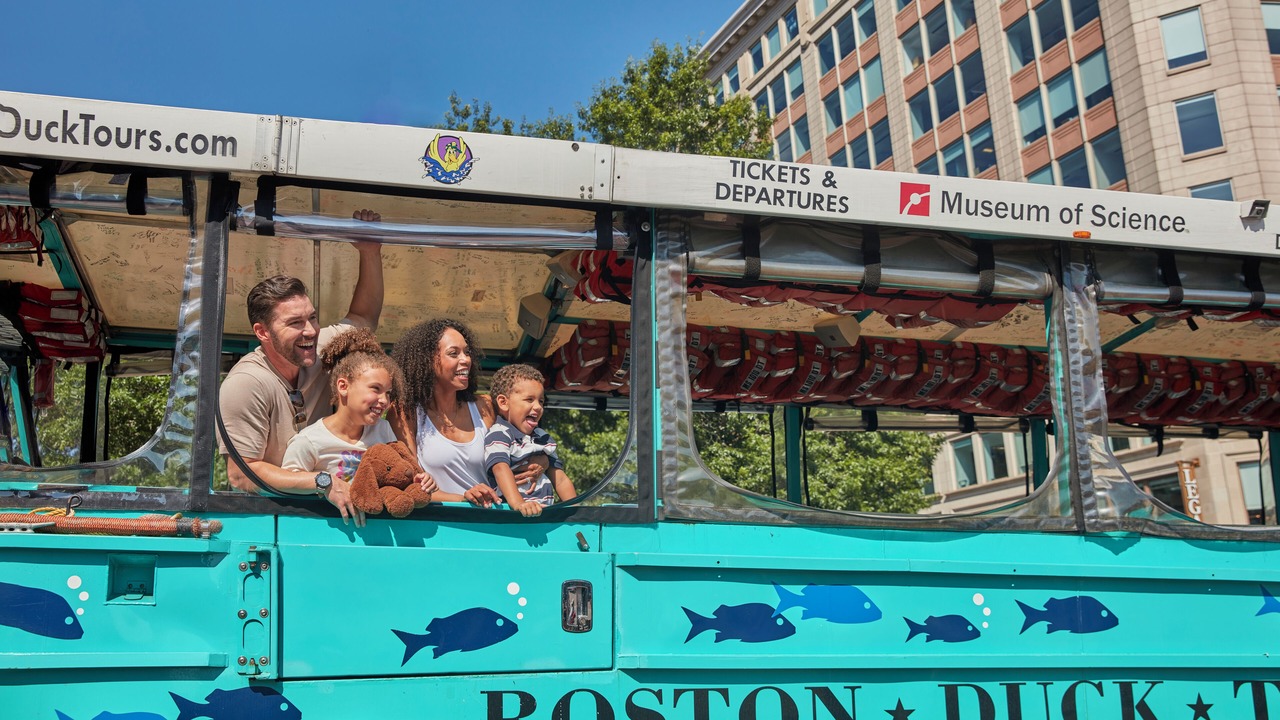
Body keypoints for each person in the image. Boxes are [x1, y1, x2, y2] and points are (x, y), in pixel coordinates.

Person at [218, 209, 383, 524]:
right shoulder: (246, 383)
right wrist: (321, 482)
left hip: (336, 513)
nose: (310, 330)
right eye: (295, 322)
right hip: (271, 520)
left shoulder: (319, 348)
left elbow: (364, 320)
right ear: (262, 332)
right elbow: (242, 474)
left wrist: (370, 250)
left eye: (312, 317)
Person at [281, 329, 435, 525]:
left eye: (388, 393)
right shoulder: (309, 441)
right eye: (375, 389)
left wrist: (421, 480)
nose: (384, 401)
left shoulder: (384, 430)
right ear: (343, 386)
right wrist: (324, 484)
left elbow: (398, 473)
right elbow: (287, 482)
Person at [389, 318, 543, 504]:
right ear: (427, 361)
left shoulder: (486, 406)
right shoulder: (405, 413)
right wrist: (464, 498)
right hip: (444, 525)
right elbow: (411, 485)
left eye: (467, 352)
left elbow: (535, 443)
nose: (466, 360)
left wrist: (542, 463)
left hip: (497, 521)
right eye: (454, 353)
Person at [484, 364, 577, 517]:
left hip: (544, 515)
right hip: (511, 515)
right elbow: (500, 469)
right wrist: (519, 504)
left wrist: (575, 510)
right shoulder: (499, 434)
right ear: (503, 402)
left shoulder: (542, 437)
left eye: (541, 401)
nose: (538, 407)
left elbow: (559, 478)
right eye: (529, 399)